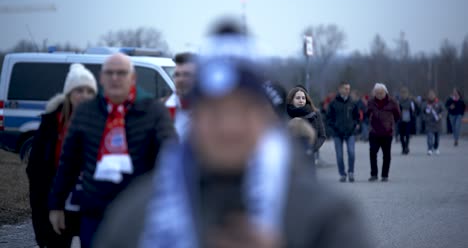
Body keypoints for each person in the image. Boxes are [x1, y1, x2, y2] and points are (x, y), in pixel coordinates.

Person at [93, 56, 370, 248]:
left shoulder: (327, 216)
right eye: (214, 111)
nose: (228, 127)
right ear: (194, 119)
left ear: (267, 120)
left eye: (243, 110)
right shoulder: (136, 213)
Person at [48, 53, 176, 248]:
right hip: (95, 214)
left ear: (132, 78)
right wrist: (56, 204)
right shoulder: (86, 112)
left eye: (121, 73)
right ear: (101, 78)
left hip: (139, 216)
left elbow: (171, 160)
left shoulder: (153, 112)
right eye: (110, 73)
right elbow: (69, 162)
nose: (115, 78)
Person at [26, 64, 97, 248]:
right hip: (58, 205)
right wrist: (44, 213)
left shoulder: (102, 123)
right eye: (79, 90)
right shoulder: (51, 124)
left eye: (89, 91)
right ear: (69, 94)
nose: (84, 96)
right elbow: (36, 170)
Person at [367, 83, 401, 182]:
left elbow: (398, 115)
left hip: (387, 132)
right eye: (377, 93)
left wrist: (391, 123)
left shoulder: (392, 102)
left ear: (385, 92)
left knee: (386, 155)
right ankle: (374, 174)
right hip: (374, 132)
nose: (379, 95)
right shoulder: (371, 102)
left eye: (381, 93)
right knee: (373, 152)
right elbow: (367, 113)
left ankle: (385, 175)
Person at [327, 82, 360, 182]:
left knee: (351, 152)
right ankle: (342, 174)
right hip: (337, 133)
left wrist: (355, 125)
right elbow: (329, 118)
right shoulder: (333, 103)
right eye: (345, 88)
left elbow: (357, 116)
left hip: (350, 132)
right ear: (340, 89)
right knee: (339, 155)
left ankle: (351, 172)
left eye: (348, 88)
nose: (347, 90)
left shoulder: (352, 102)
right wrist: (333, 128)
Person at [286, 87, 326, 164]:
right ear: (291, 100)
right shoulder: (285, 114)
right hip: (291, 157)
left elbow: (322, 136)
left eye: (303, 98)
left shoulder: (315, 113)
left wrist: (311, 149)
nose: (301, 100)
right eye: (298, 98)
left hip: (309, 156)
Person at [163, 52, 197, 139]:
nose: (180, 80)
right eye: (177, 75)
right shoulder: (163, 109)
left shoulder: (211, 112)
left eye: (187, 75)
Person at [398, 87, 418, 155]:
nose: (404, 95)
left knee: (407, 134)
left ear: (407, 94)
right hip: (401, 120)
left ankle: (406, 147)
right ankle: (403, 147)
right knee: (401, 136)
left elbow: (415, 110)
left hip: (409, 120)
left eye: (405, 93)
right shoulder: (399, 101)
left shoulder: (411, 101)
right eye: (402, 93)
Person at [423, 90, 444, 155]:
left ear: (435, 95)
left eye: (432, 94)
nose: (431, 96)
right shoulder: (425, 103)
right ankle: (429, 149)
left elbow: (443, 110)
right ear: (428, 96)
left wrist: (441, 114)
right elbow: (422, 112)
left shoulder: (439, 103)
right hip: (429, 123)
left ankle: (436, 147)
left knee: (437, 138)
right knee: (429, 137)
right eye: (430, 95)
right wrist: (425, 118)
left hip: (437, 123)